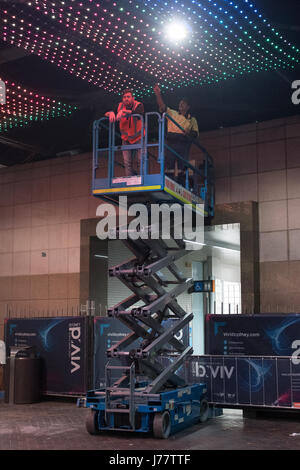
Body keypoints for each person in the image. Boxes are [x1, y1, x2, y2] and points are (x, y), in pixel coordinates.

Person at [153, 83, 199, 185]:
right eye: (180, 103)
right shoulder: (172, 113)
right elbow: (162, 106)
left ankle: (182, 186)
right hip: (172, 141)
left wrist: (189, 133)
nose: (180, 105)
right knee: (169, 165)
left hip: (183, 143)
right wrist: (158, 94)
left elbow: (195, 133)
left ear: (188, 106)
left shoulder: (192, 119)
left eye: (183, 103)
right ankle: (168, 184)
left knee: (183, 166)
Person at [105, 89, 144, 176]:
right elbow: (106, 113)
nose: (126, 99)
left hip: (139, 137)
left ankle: (142, 178)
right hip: (126, 138)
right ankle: (129, 179)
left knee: (141, 160)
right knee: (127, 162)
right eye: (124, 97)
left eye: (128, 97)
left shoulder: (138, 105)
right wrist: (111, 113)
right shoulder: (119, 106)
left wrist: (123, 111)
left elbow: (138, 112)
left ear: (133, 98)